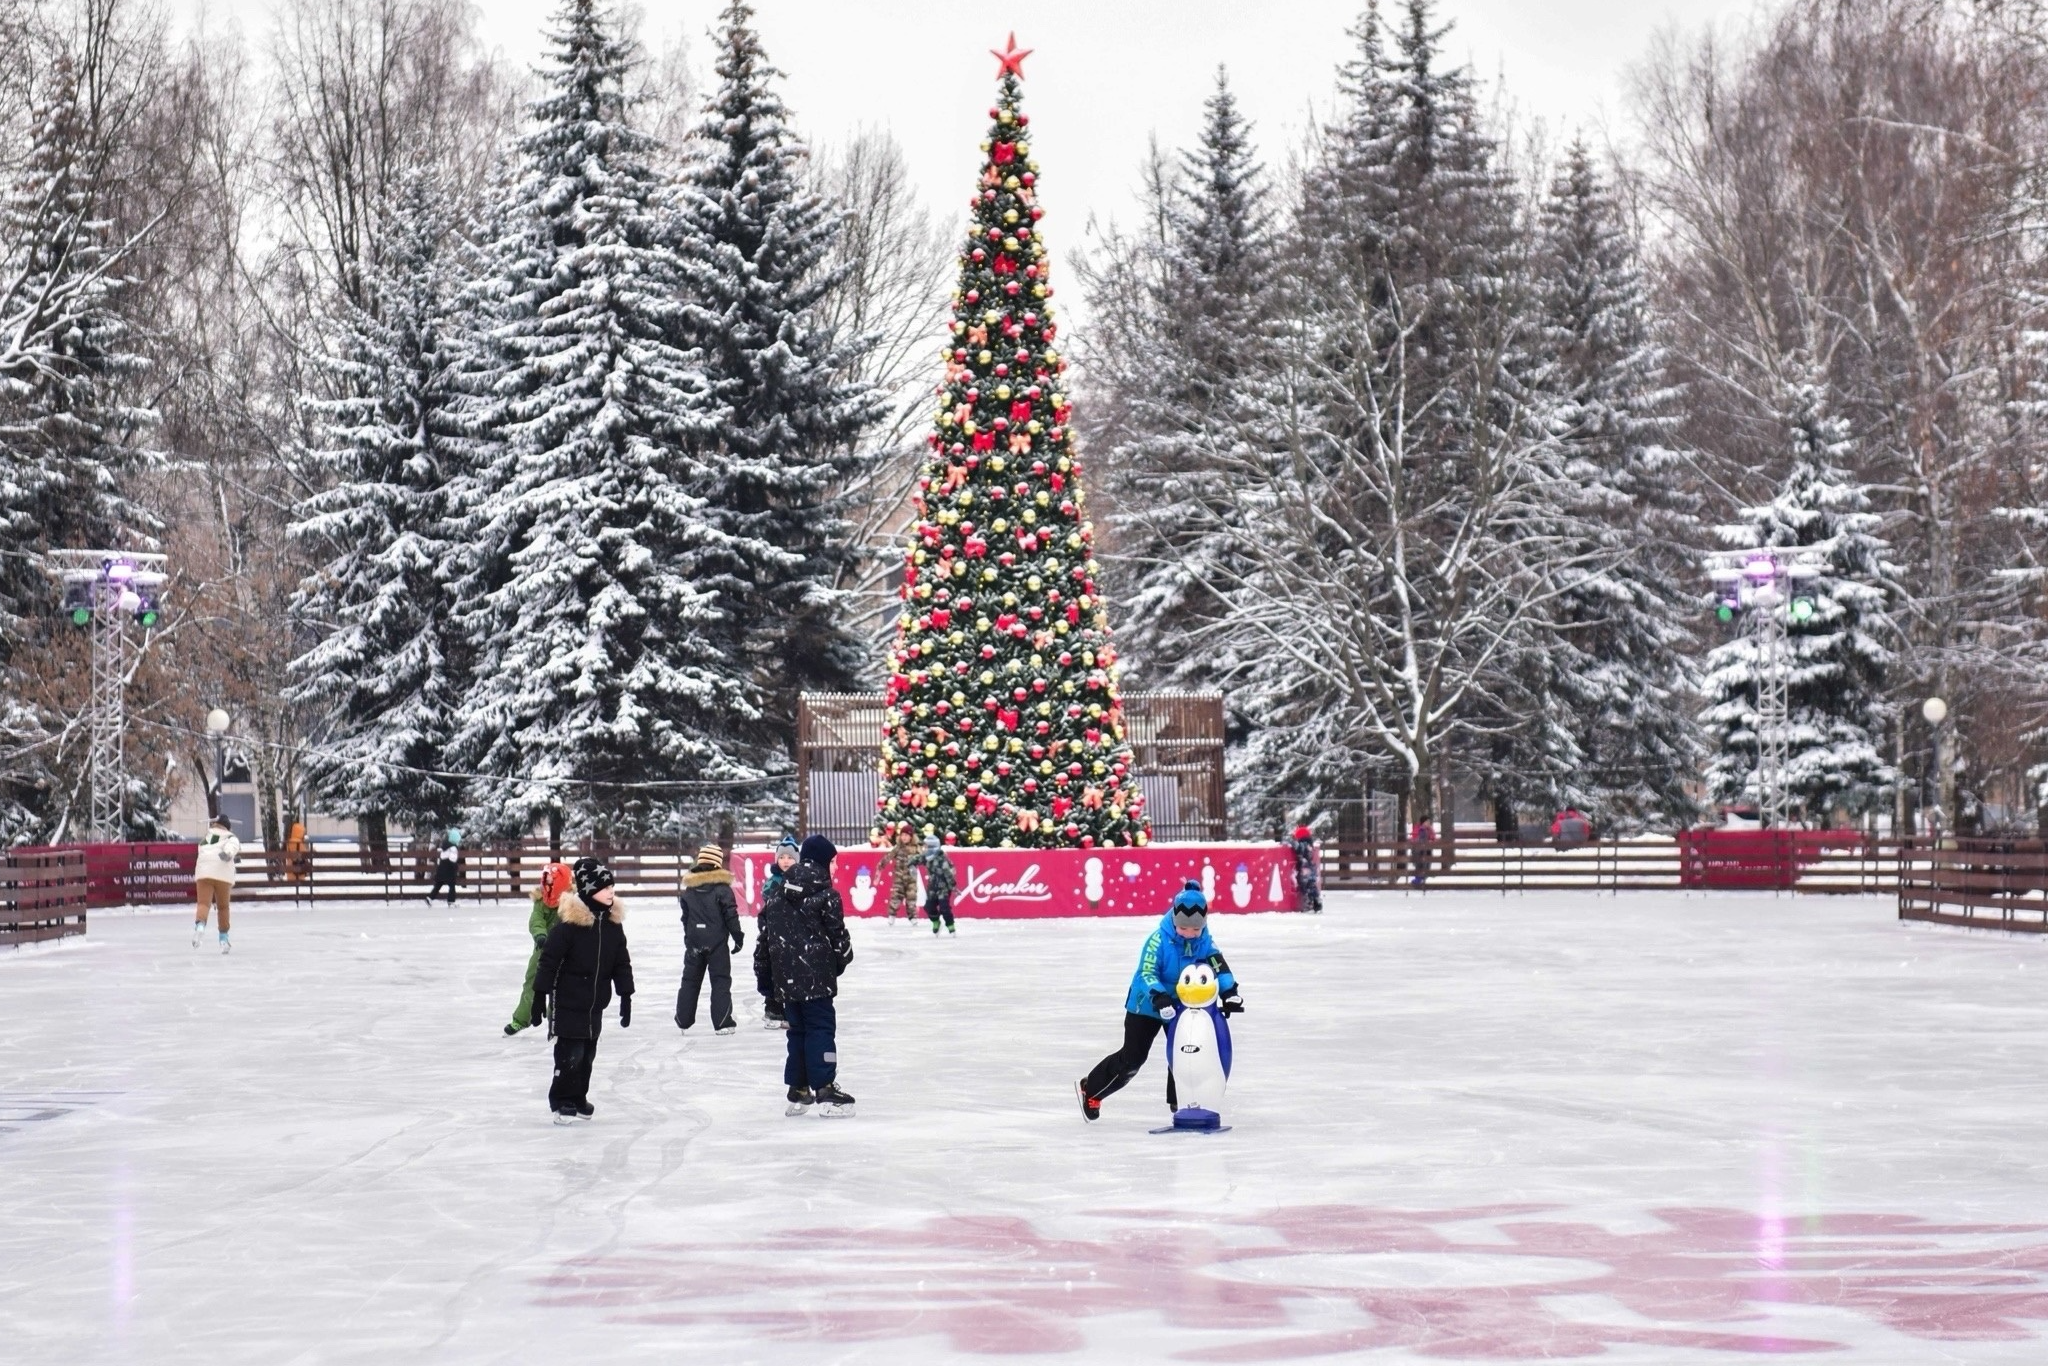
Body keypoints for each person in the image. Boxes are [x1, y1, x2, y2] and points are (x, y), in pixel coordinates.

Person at [1076, 880, 1242, 1122]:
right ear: (1174, 919)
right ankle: (1092, 1089)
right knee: (1133, 1058)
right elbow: (1146, 972)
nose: (1189, 934)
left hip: (1179, 1006)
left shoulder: (1205, 941)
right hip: (1145, 1005)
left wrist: (1230, 991)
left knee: (1186, 1052)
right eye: (1183, 928)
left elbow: (1219, 966)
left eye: (1195, 930)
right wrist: (1158, 994)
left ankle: (1182, 1101)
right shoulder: (1158, 940)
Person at [754, 833, 855, 1116]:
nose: (835, 868)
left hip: (786, 981)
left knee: (798, 1031)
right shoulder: (827, 895)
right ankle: (824, 1086)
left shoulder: (776, 894)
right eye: (833, 862)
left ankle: (798, 1088)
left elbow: (765, 941)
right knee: (821, 1028)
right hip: (817, 980)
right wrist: (839, 962)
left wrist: (767, 982)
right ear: (823, 862)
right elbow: (839, 940)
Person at [534, 857, 635, 1125]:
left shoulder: (613, 925)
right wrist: (538, 996)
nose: (612, 891)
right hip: (568, 1002)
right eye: (606, 887)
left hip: (594, 1005)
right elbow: (548, 962)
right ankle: (561, 1101)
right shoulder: (569, 926)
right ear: (590, 891)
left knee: (587, 1055)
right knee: (570, 1055)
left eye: (612, 886)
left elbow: (621, 962)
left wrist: (626, 994)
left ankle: (578, 1098)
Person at [676, 844, 743, 1033]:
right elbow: (731, 915)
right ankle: (722, 1022)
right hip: (717, 943)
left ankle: (683, 1019)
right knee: (720, 980)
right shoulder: (722, 889)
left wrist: (689, 938)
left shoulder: (689, 889)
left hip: (694, 942)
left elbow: (685, 918)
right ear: (717, 863)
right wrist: (738, 937)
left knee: (690, 980)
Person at [506, 861, 571, 1036]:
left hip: (565, 953)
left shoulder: (571, 901)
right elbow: (536, 919)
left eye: (551, 881)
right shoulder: (541, 900)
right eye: (545, 880)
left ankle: (557, 1021)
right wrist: (540, 935)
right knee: (532, 982)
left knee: (561, 987)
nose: (546, 885)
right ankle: (521, 1019)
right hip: (542, 950)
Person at [758, 835, 798, 1029]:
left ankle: (790, 1010)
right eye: (782, 857)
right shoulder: (773, 882)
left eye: (790, 857)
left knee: (791, 973)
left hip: (794, 934)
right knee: (773, 971)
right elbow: (767, 906)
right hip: (775, 933)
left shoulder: (801, 879)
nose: (785, 861)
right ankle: (772, 1009)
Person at [192, 813, 241, 953]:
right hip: (222, 874)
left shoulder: (207, 838)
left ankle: (200, 926)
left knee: (203, 903)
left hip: (203, 873)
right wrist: (228, 854)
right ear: (227, 827)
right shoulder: (230, 837)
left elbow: (201, 850)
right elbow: (233, 846)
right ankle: (223, 939)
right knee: (223, 907)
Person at [881, 827, 921, 924]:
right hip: (899, 878)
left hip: (911, 878)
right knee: (895, 897)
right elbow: (889, 856)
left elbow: (922, 858)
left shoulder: (916, 847)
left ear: (911, 837)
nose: (904, 837)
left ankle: (913, 917)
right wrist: (882, 864)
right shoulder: (898, 847)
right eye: (902, 835)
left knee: (911, 898)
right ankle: (892, 915)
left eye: (906, 835)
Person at [921, 834, 957, 934]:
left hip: (943, 888)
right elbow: (917, 858)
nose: (925, 848)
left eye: (927, 846)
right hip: (932, 887)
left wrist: (953, 886)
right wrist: (910, 863)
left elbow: (948, 873)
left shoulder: (942, 858)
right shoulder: (926, 857)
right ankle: (936, 921)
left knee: (944, 908)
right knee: (929, 907)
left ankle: (951, 926)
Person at [1287, 825, 1323, 914]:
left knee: (1306, 887)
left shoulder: (1304, 844)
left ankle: (1310, 903)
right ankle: (1316, 902)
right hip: (1310, 868)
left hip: (1305, 869)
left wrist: (1292, 842)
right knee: (1311, 886)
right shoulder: (1310, 844)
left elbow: (1299, 848)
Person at [427, 828, 461, 905]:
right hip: (449, 869)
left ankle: (430, 898)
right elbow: (453, 859)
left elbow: (442, 857)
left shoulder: (445, 846)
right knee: (452, 886)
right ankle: (451, 901)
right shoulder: (453, 848)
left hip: (442, 867)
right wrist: (455, 868)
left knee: (439, 885)